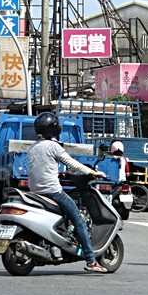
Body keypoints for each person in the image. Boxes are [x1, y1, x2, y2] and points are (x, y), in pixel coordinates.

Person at [28, 111, 109, 273]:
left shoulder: (33, 147)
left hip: (35, 192)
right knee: (78, 220)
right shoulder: (53, 146)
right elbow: (72, 164)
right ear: (55, 129)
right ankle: (91, 260)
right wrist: (92, 172)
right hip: (53, 192)